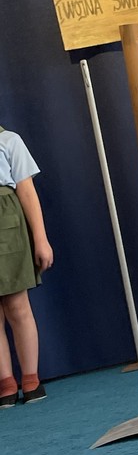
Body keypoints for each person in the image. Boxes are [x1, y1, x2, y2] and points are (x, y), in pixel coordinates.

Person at [0, 126, 53, 406]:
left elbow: (27, 192)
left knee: (17, 304)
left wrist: (40, 239)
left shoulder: (9, 140)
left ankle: (30, 378)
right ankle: (6, 382)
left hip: (8, 229)